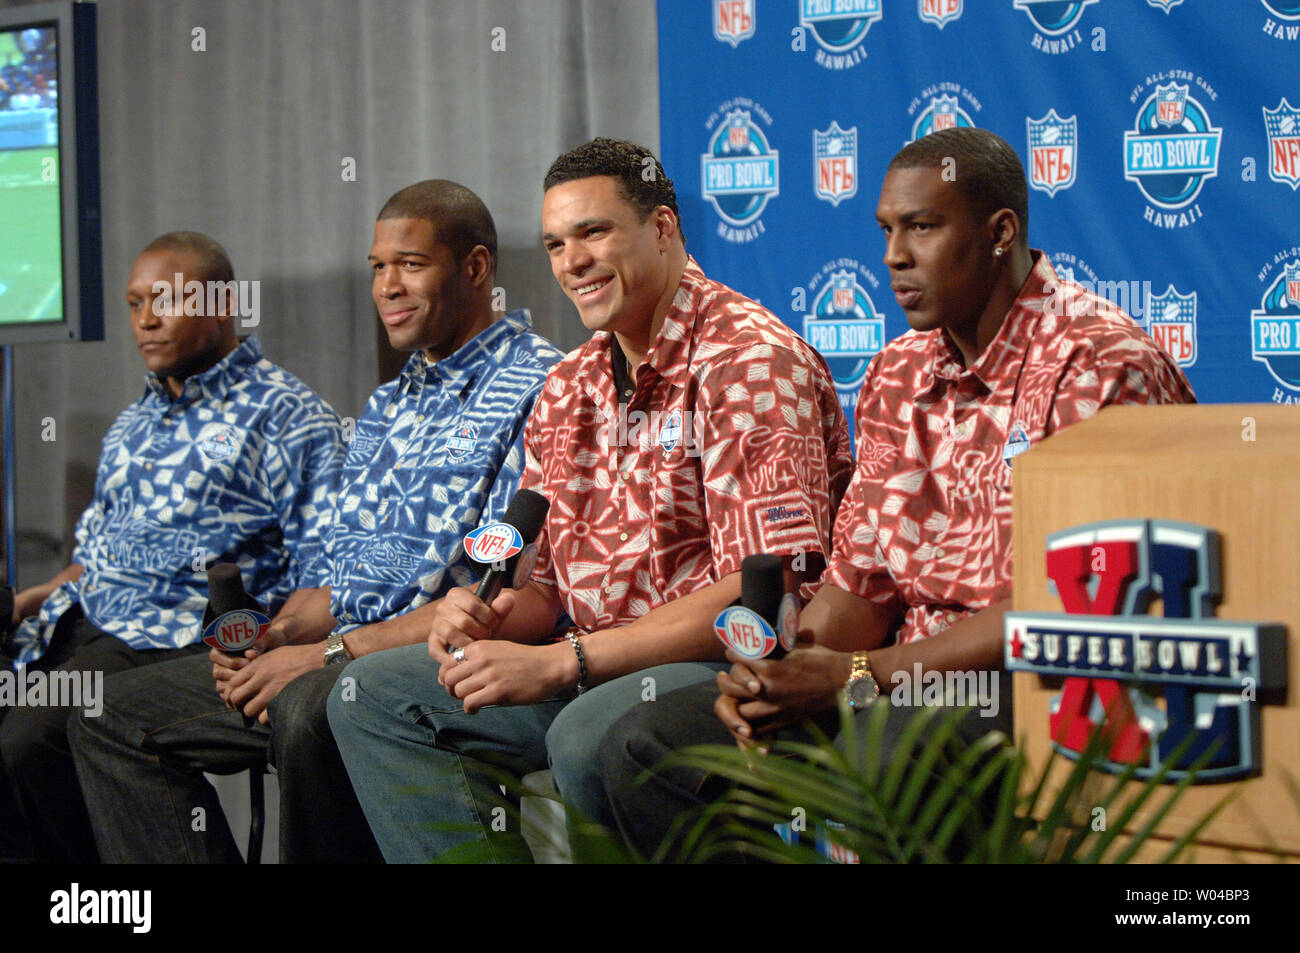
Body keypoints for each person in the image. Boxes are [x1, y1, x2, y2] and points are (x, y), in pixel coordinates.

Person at [595, 126, 1198, 860]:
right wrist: (781, 673)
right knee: (644, 742)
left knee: (890, 760)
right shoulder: (896, 373)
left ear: (1001, 231)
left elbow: (1076, 605)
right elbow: (859, 587)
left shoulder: (1099, 363)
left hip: (1042, 681)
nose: (893, 256)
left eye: (922, 226)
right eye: (886, 229)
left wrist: (860, 675)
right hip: (894, 682)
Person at [327, 137, 855, 863]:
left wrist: (566, 661)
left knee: (593, 733)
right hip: (590, 656)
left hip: (724, 665)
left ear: (663, 229)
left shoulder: (750, 360)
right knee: (376, 694)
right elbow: (543, 583)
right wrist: (490, 614)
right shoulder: (570, 383)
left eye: (593, 232)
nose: (571, 261)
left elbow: (761, 591)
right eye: (554, 243)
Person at [68, 182, 563, 863]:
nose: (387, 286)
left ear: (475, 268)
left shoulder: (542, 385)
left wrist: (326, 655)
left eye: (410, 264)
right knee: (110, 715)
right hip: (339, 651)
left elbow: (495, 598)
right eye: (376, 267)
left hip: (436, 663)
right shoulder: (388, 403)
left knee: (308, 710)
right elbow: (339, 571)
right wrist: (281, 633)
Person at [0, 231, 343, 863]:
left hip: (173, 633)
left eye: (165, 299)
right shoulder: (133, 422)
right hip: (84, 620)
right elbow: (99, 552)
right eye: (134, 304)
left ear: (221, 304)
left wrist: (278, 639)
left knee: (30, 736)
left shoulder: (287, 415)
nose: (146, 320)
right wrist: (36, 596)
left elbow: (322, 563)